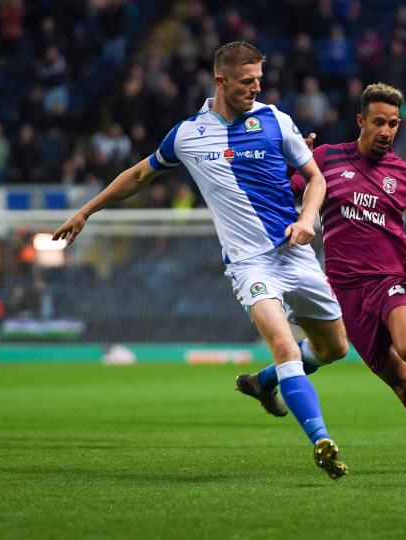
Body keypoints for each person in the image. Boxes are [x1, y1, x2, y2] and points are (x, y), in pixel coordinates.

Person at [53, 42, 351, 480]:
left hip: (295, 252)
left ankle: (264, 383)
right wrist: (85, 210)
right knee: (285, 345)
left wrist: (308, 217)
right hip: (249, 264)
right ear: (221, 81)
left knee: (334, 348)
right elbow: (138, 174)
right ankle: (322, 439)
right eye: (248, 81)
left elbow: (315, 178)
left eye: (259, 79)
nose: (256, 87)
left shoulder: (276, 120)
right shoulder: (188, 134)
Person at [238, 83, 406, 474]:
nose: (387, 131)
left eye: (393, 124)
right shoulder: (326, 159)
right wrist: (290, 161)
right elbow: (284, 192)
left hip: (392, 279)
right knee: (405, 385)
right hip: (344, 294)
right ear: (361, 121)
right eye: (379, 122)